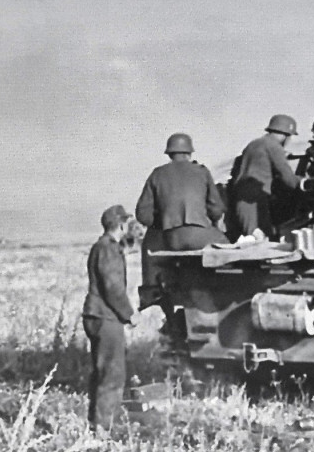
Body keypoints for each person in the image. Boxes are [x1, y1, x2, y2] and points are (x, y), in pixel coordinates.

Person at [82, 204, 136, 432]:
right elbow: (112, 287)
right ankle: (103, 429)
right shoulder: (109, 249)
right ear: (121, 225)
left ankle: (96, 424)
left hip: (97, 315)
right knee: (112, 374)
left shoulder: (100, 247)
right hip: (106, 317)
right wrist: (129, 314)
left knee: (101, 371)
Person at [135, 133, 229, 251]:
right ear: (189, 153)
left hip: (171, 239)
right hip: (200, 236)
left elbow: (143, 215)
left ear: (169, 154)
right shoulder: (202, 172)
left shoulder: (157, 174)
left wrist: (163, 221)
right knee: (229, 249)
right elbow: (216, 210)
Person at [231, 114, 309, 239]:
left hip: (241, 199)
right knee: (259, 241)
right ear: (286, 135)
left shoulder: (253, 144)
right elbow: (288, 179)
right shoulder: (273, 146)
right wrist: (307, 184)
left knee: (257, 238)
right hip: (254, 201)